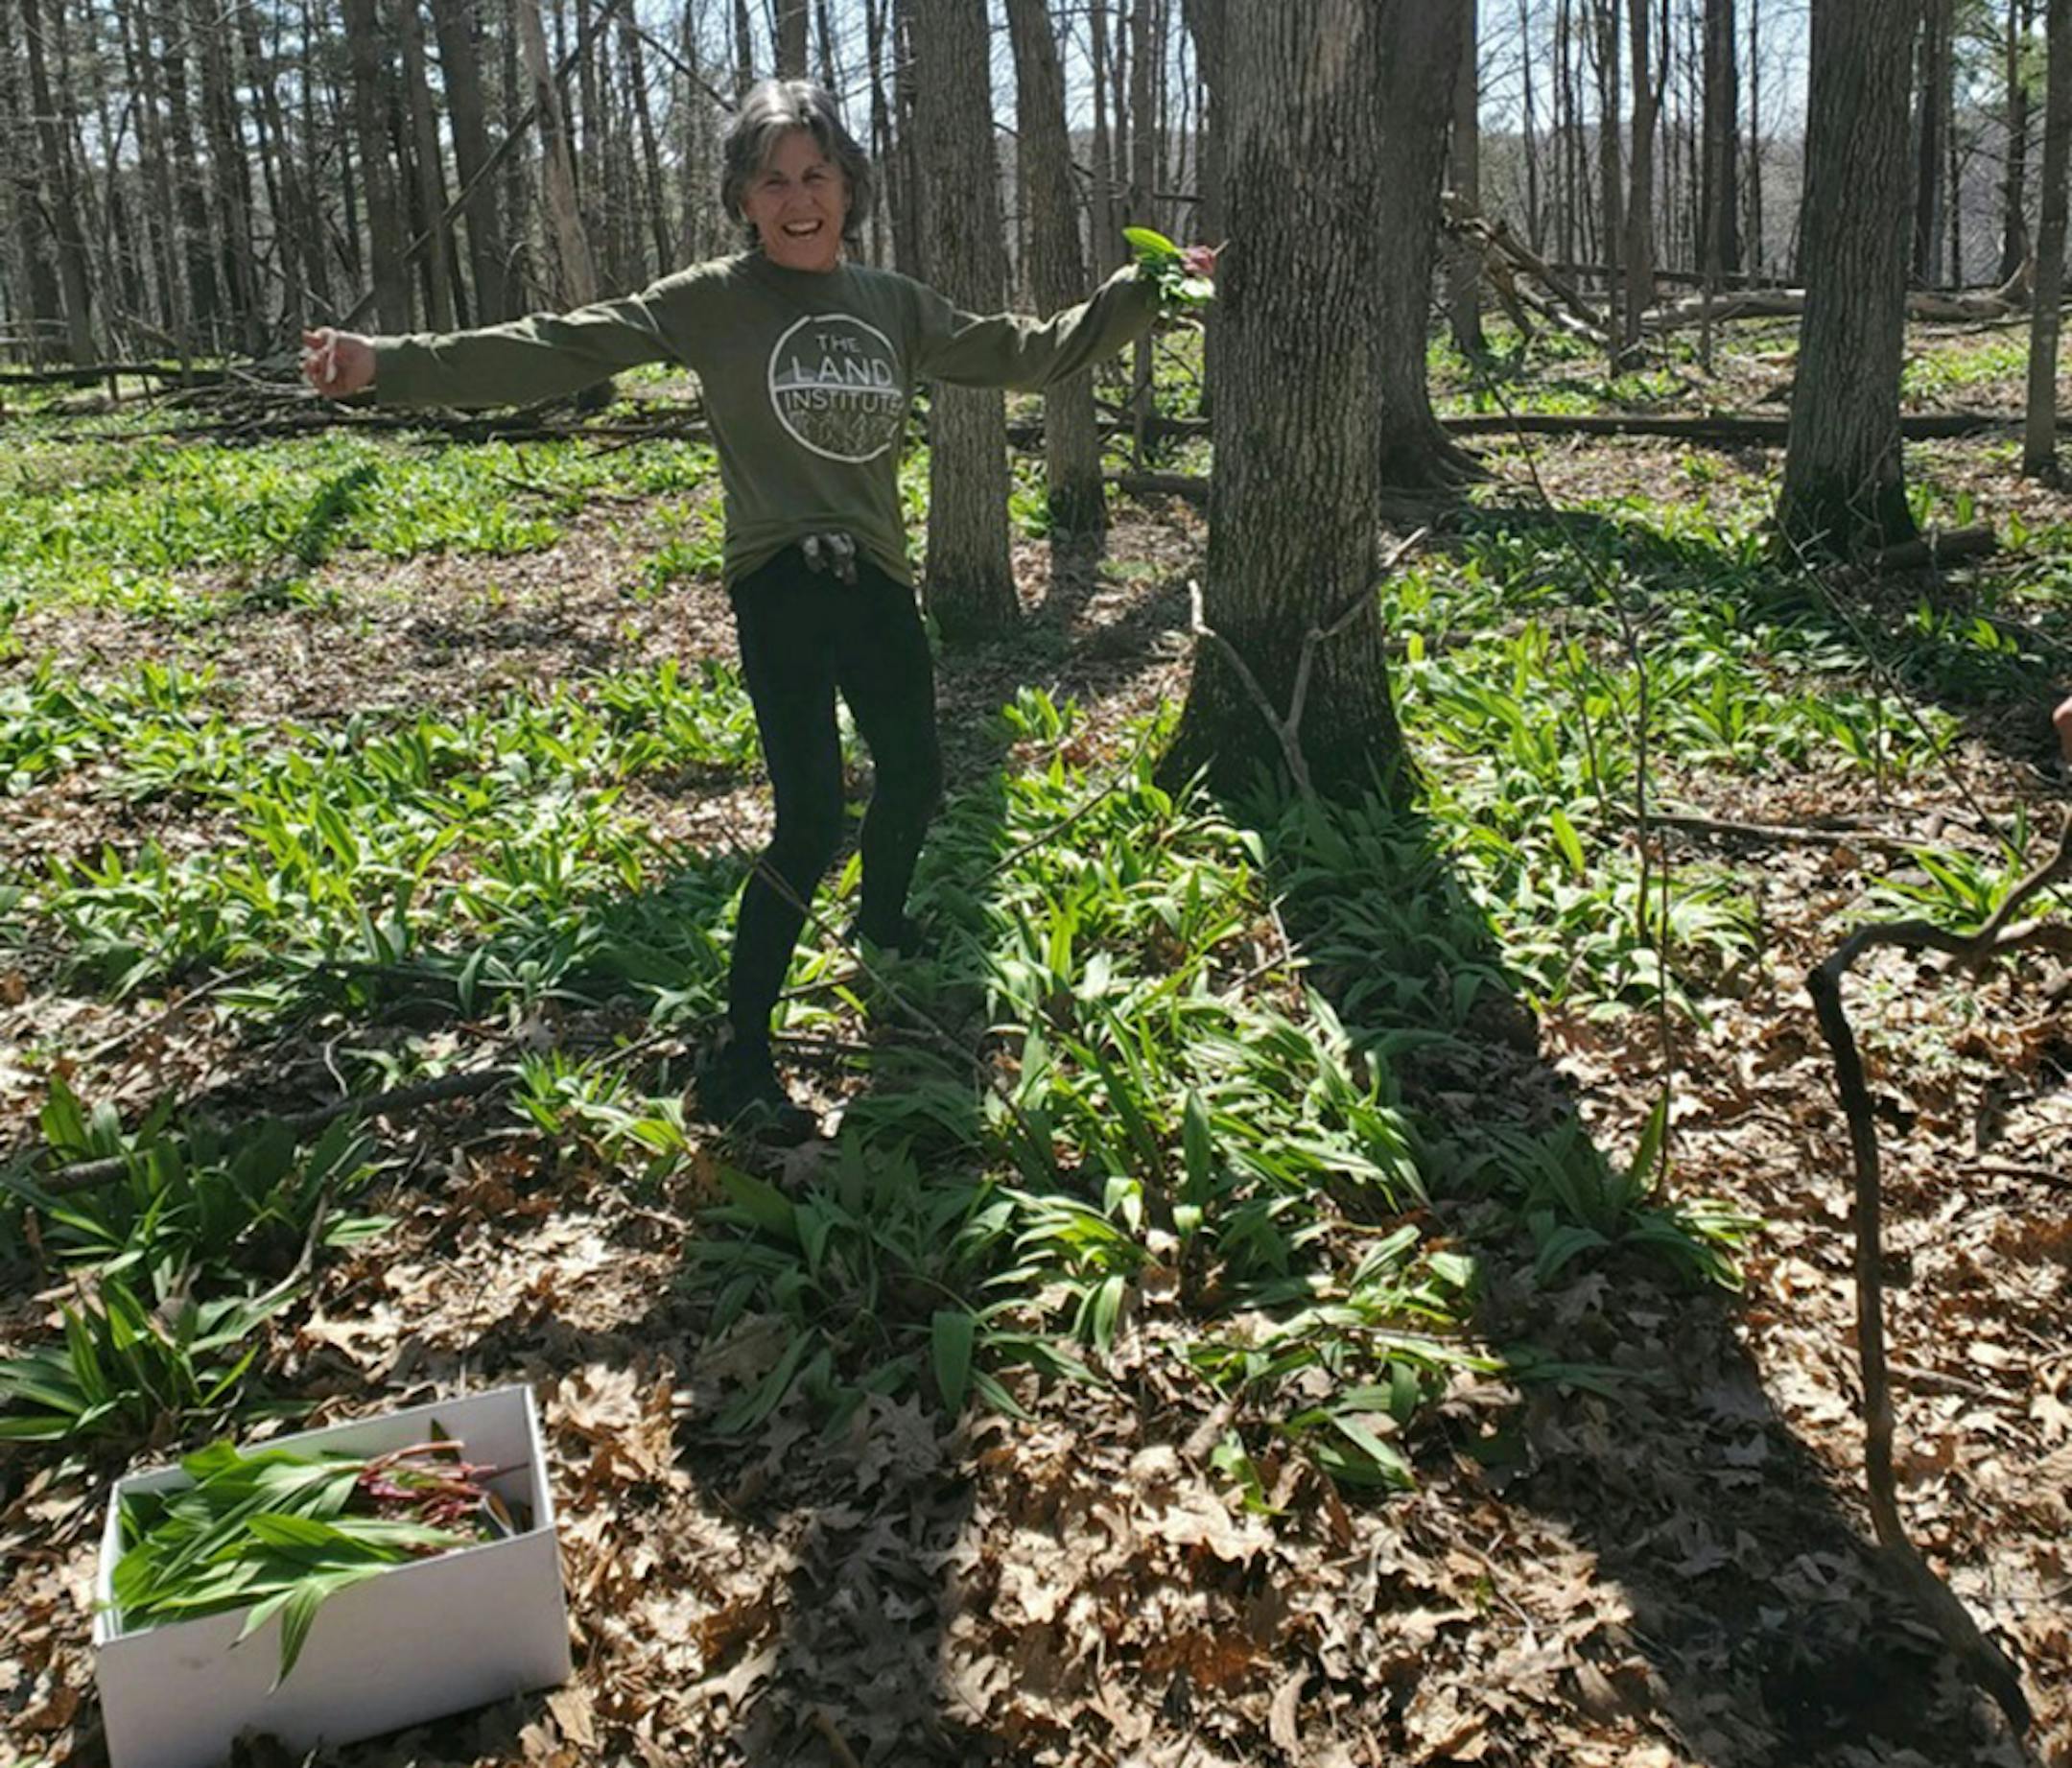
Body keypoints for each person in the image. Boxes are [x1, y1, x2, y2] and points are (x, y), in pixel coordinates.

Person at [304, 78, 1212, 1143]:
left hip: (877, 575)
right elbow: (562, 343)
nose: (797, 197)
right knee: (812, 815)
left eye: (815, 174)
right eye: (773, 178)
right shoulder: (713, 301)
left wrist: (1151, 286)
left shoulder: (894, 305)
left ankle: (884, 930)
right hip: (779, 577)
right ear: (742, 196)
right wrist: (386, 366)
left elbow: (1034, 348)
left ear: (847, 188)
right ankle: (737, 1053)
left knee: (915, 774)